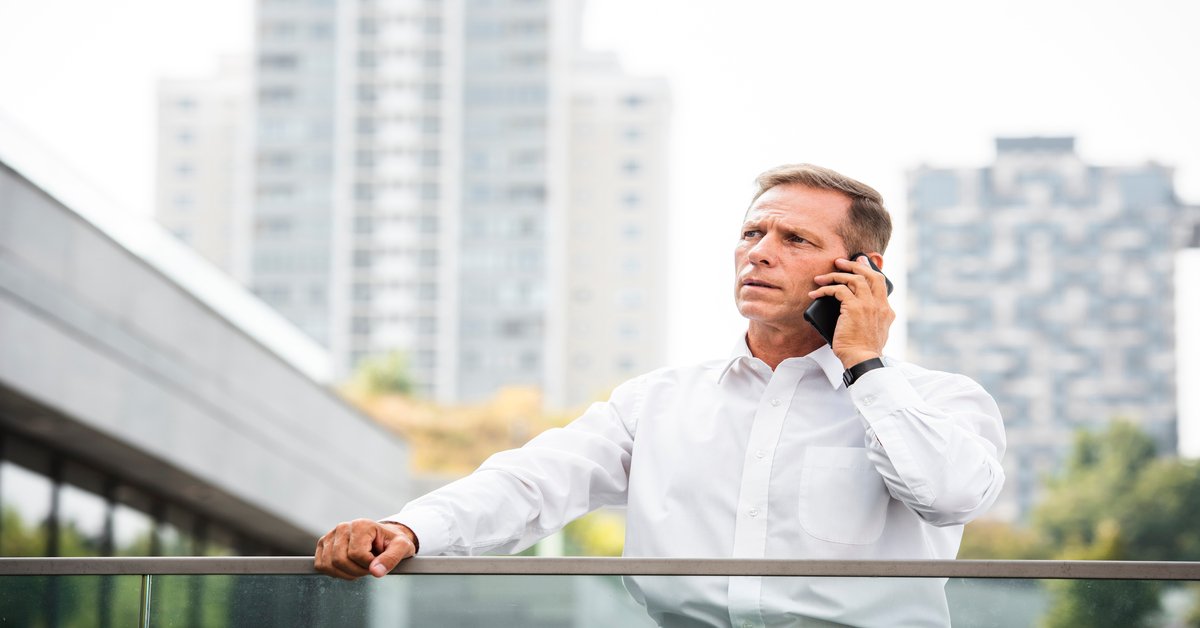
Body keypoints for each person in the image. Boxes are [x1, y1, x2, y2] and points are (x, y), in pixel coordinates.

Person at [314, 163, 1006, 627]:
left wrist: (864, 363)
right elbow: (532, 483)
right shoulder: (660, 401)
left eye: (794, 238)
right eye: (751, 232)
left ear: (862, 271)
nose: (759, 252)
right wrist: (409, 529)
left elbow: (948, 495)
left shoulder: (938, 401)